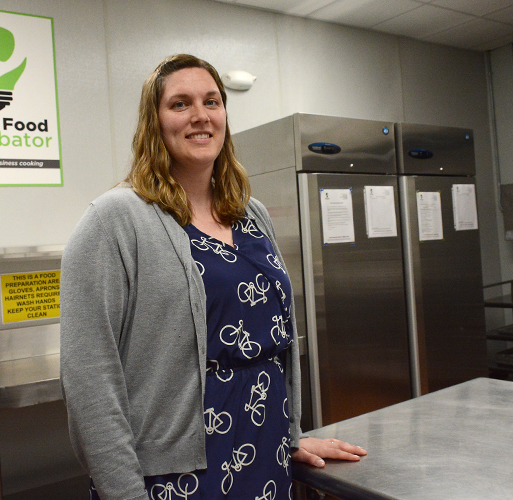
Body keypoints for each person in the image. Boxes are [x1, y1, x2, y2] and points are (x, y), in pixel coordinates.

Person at [60, 53, 366, 500]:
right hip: (178, 477)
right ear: (154, 121)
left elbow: (274, 343)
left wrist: (291, 437)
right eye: (180, 104)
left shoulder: (250, 213)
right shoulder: (115, 220)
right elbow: (90, 375)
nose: (200, 116)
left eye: (212, 101)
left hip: (264, 454)